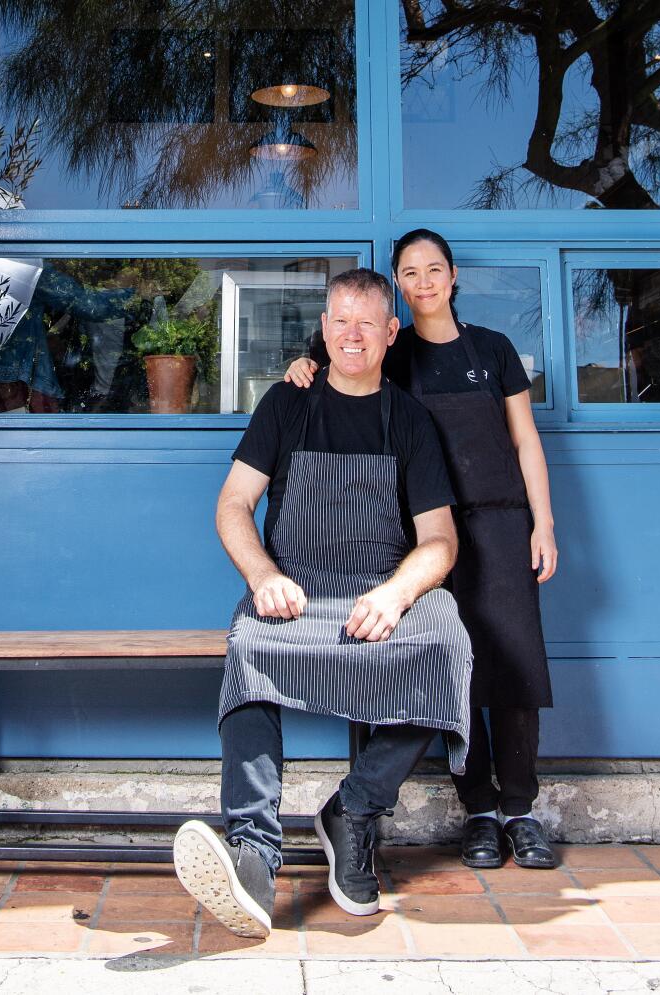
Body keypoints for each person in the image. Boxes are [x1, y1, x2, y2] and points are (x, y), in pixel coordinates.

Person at [172, 268, 473, 939]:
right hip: (296, 590)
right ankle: (254, 855)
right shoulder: (286, 403)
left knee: (448, 639)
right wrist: (262, 573)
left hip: (374, 590)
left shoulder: (411, 422)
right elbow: (232, 504)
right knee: (248, 644)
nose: (353, 334)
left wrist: (397, 593)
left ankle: (355, 809)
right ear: (324, 327)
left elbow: (440, 541)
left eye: (368, 320)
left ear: (392, 332)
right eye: (340, 319)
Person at [285, 230, 559, 871]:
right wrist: (300, 367)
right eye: (410, 273)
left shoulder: (493, 351)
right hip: (425, 536)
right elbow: (334, 364)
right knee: (452, 668)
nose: (424, 281)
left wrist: (542, 524)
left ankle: (520, 809)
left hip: (500, 524)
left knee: (513, 670)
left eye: (434, 269)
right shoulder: (392, 350)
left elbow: (527, 444)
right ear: (398, 287)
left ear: (453, 277)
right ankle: (481, 814)